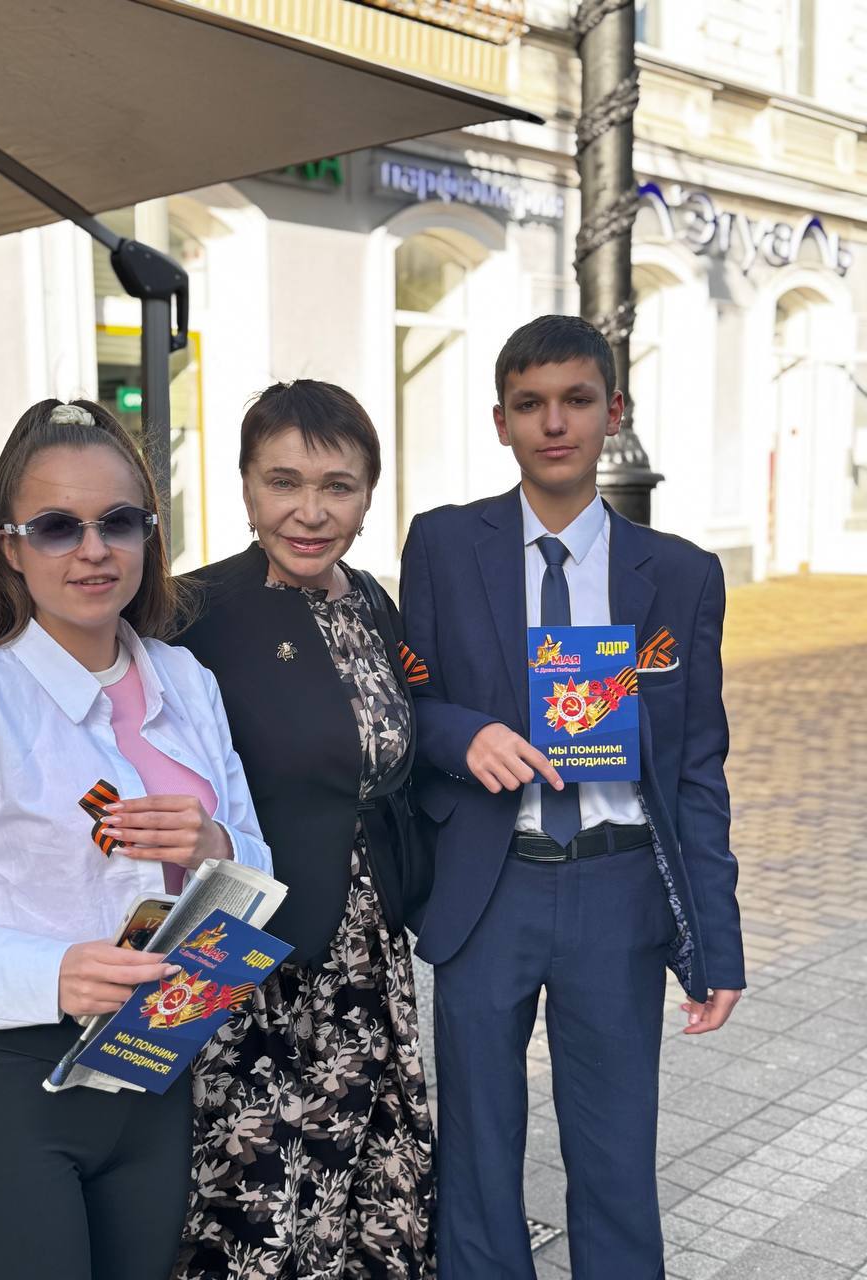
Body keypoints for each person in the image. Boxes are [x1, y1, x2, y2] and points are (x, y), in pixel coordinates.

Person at [399, 315, 745, 1280]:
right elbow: (407, 704)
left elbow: (698, 766)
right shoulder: (443, 544)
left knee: (617, 1153)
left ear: (613, 412)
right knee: (476, 1150)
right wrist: (463, 735)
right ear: (501, 422)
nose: (555, 424)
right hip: (490, 883)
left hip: (617, 888)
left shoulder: (679, 575)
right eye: (530, 404)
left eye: (577, 401)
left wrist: (716, 941)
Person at [0, 399, 270, 1280]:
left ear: (148, 533)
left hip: (158, 1073)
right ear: (10, 547)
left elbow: (257, 870)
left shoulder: (187, 681)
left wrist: (216, 844)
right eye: (57, 526)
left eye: (118, 521)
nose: (94, 549)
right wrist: (53, 970)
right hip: (21, 1088)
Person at [172, 379, 434, 1280]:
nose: (311, 512)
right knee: (252, 1185)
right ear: (245, 485)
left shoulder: (372, 603)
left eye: (338, 486)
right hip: (248, 951)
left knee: (359, 1169)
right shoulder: (190, 612)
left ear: (368, 495)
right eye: (283, 482)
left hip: (364, 946)